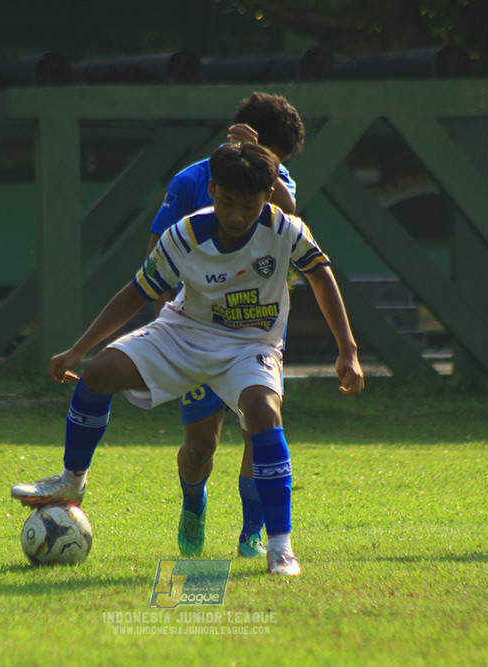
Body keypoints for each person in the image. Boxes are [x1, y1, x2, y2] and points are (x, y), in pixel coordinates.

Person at [12, 142, 364, 575]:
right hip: (185, 333)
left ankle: (279, 546)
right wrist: (78, 350)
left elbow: (322, 277)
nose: (236, 216)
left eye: (249, 206)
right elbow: (135, 293)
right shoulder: (185, 235)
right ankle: (72, 481)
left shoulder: (287, 230)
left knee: (263, 412)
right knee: (101, 372)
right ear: (212, 190)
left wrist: (347, 349)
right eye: (228, 203)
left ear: (268, 196)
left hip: (250, 346)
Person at [146, 92, 306, 560]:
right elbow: (160, 240)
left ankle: (252, 533)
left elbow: (291, 211)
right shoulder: (193, 179)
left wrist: (270, 167)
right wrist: (162, 306)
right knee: (201, 443)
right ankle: (193, 502)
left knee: (262, 425)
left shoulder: (276, 181)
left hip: (257, 330)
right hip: (198, 329)